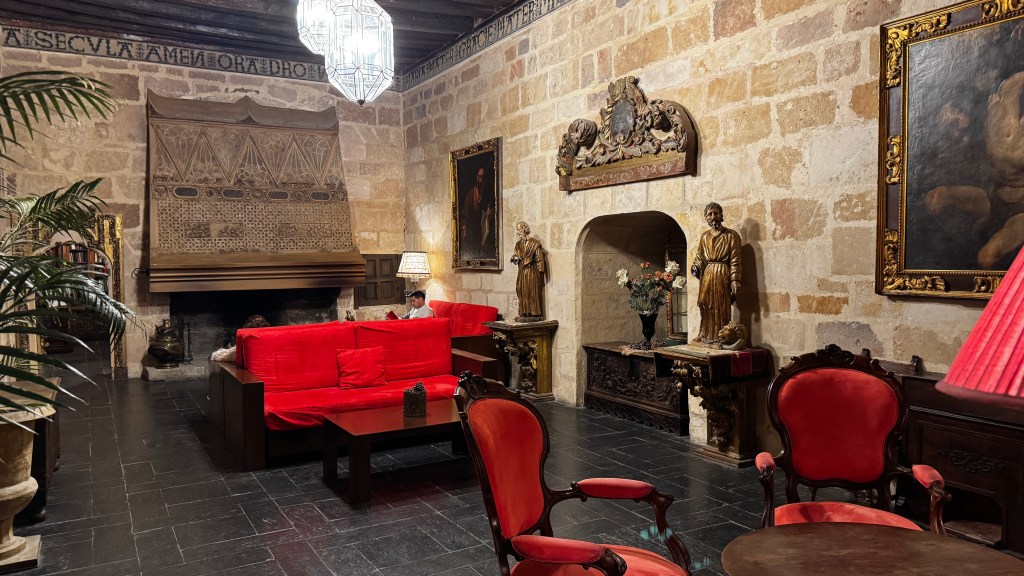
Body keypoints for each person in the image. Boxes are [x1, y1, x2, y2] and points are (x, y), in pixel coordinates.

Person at [690, 202, 742, 344]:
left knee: (721, 305)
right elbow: (700, 257)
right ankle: (704, 334)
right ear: (706, 217)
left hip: (722, 273)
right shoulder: (704, 236)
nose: (713, 217)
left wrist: (735, 280)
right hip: (708, 273)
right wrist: (696, 266)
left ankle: (721, 337)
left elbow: (736, 259)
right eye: (710, 214)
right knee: (704, 303)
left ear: (721, 215)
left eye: (715, 213)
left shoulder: (731, 235)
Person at [511, 221, 547, 321]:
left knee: (530, 291)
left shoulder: (535, 244)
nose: (518, 232)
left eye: (519, 230)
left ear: (524, 230)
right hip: (521, 271)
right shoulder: (518, 244)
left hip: (531, 272)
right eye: (517, 230)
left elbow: (539, 260)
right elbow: (516, 255)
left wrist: (540, 275)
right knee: (520, 290)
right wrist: (514, 258)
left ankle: (533, 313)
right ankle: (524, 312)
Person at [460, 166, 494, 260]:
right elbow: (465, 211)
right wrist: (464, 225)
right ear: (476, 177)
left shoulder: (487, 193)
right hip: (473, 226)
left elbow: (490, 209)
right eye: (479, 176)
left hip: (483, 224)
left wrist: (489, 210)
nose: (480, 179)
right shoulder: (471, 193)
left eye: (482, 177)